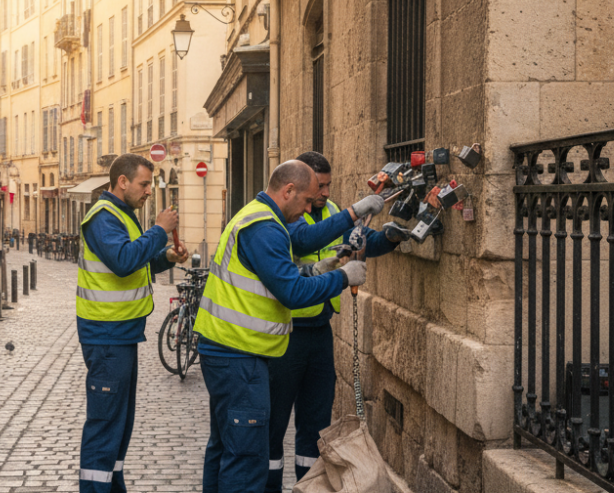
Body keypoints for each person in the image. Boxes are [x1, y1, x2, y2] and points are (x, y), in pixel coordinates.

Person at [193, 160, 384, 493]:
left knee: (224, 447)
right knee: (246, 456)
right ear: (288, 191)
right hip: (239, 355)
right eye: (308, 201)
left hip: (228, 351)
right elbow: (292, 294)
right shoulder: (265, 227)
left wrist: (314, 270)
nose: (310, 209)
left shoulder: (257, 216)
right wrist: (341, 277)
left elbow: (273, 277)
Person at [266, 151, 399, 491]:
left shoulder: (329, 210)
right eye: (317, 188)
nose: (323, 194)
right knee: (274, 423)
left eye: (326, 186)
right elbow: (305, 240)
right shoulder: (288, 215)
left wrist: (391, 237)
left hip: (319, 331)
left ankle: (308, 486)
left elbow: (359, 243)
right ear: (298, 187)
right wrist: (353, 212)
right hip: (287, 334)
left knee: (315, 422)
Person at [77, 153, 189, 493]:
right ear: (122, 182)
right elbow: (123, 261)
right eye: (143, 184)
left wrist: (165, 256)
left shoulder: (123, 215)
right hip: (106, 334)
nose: (148, 192)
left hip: (122, 334)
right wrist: (159, 230)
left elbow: (136, 263)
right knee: (105, 425)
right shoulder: (103, 217)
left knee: (119, 425)